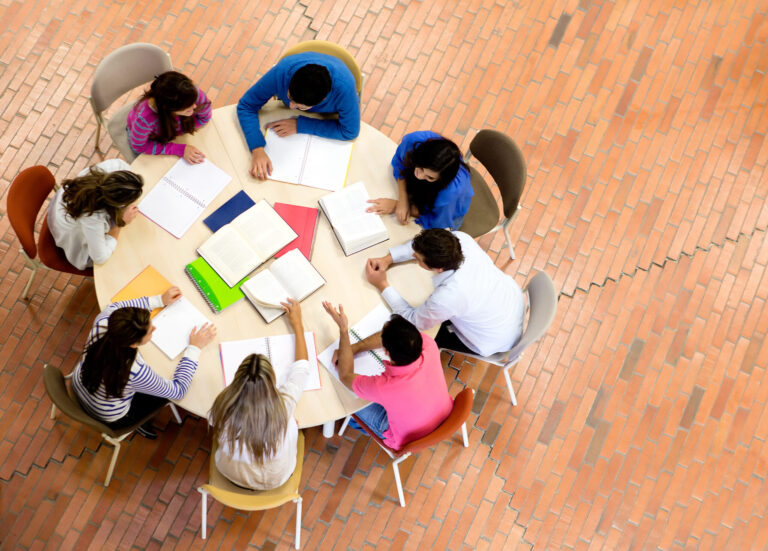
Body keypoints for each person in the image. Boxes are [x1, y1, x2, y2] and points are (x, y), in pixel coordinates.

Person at [71, 287, 217, 439]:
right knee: (163, 396)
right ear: (134, 344)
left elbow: (117, 307)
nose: (154, 327)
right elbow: (178, 391)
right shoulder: (134, 371)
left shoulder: (104, 320)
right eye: (150, 331)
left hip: (81, 383)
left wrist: (159, 300)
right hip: (109, 415)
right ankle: (141, 423)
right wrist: (194, 347)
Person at [365, 228, 525, 357]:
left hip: (494, 337)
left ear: (438, 269)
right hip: (509, 302)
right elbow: (418, 247)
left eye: (418, 259)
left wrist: (382, 284)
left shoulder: (448, 297)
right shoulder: (460, 239)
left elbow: (413, 321)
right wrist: (388, 259)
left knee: (414, 341)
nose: (413, 256)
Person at [322, 302, 453, 450]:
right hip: (441, 413)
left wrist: (343, 330)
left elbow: (345, 375)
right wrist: (353, 348)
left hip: (406, 437)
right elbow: (393, 336)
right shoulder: (428, 344)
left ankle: (353, 423)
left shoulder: (386, 386)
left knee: (348, 400)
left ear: (387, 352)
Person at [209, 299, 309, 490]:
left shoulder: (221, 406)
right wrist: (297, 325)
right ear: (272, 383)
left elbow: (214, 421)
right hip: (275, 479)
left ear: (237, 380)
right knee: (293, 425)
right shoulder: (284, 406)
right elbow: (302, 368)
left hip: (228, 472)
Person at [237, 52, 361, 180]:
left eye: (300, 106)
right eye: (289, 97)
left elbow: (350, 131)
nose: (291, 106)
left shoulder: (345, 89)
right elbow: (246, 105)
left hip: (327, 115)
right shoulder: (282, 71)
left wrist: (300, 125)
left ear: (323, 99)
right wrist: (257, 148)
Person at [47, 159, 143, 270]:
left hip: (63, 205)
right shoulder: (92, 217)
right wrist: (119, 224)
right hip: (70, 235)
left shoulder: (113, 167)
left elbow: (125, 167)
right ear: (115, 203)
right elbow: (99, 257)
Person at [367, 131, 473, 230]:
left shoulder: (450, 194)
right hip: (421, 193)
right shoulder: (414, 141)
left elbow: (435, 220)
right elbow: (400, 164)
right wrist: (403, 199)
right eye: (421, 167)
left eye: (430, 177)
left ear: (441, 179)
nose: (419, 176)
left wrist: (395, 205)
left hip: (445, 213)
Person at [126, 71, 211, 163]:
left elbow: (205, 117)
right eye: (187, 108)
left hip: (169, 133)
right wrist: (178, 149)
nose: (194, 107)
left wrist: (180, 131)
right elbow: (139, 146)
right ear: (168, 110)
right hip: (147, 138)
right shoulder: (144, 120)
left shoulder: (190, 93)